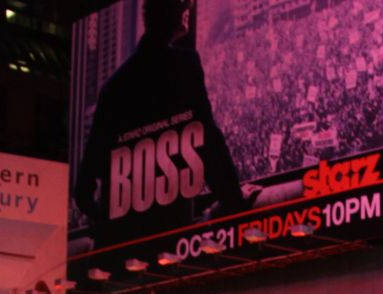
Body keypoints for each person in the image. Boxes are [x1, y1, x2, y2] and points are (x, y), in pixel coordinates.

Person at [75, 0, 255, 250]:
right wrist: (233, 199)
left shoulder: (113, 87)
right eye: (182, 5)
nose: (188, 11)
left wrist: (107, 225)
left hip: (116, 250)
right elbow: (207, 139)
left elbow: (83, 190)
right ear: (168, 13)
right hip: (167, 243)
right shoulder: (182, 64)